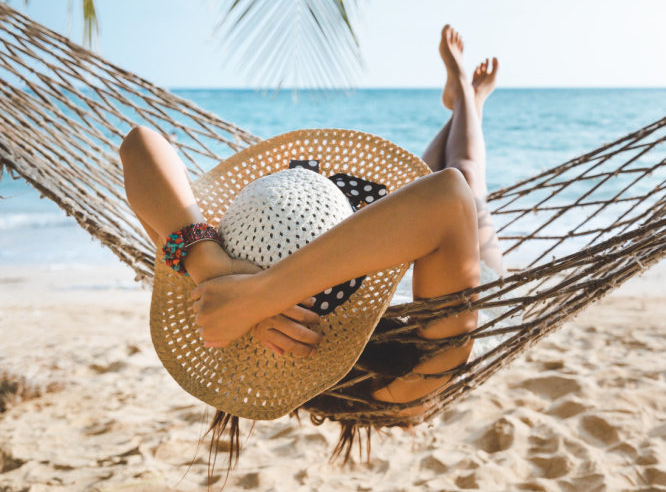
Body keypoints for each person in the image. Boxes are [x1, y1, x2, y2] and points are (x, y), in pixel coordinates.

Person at [119, 25, 503, 405]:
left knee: (427, 180)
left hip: (385, 245)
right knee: (468, 174)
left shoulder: (212, 302)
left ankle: (465, 99)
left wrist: (213, 268)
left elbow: (138, 145)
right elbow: (451, 196)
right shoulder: (408, 375)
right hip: (457, 280)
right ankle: (469, 98)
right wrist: (258, 296)